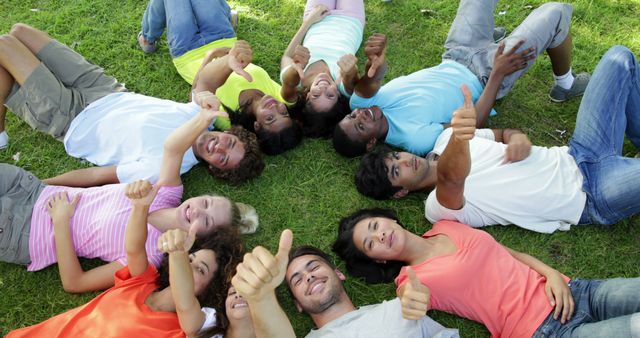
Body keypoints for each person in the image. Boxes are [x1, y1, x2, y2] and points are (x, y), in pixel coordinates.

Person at [356, 45, 640, 234]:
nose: (405, 160)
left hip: (580, 151)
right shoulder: (438, 206)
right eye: (397, 171)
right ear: (400, 192)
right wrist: (461, 133)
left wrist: (518, 138)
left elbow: (504, 133)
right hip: (592, 195)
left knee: (619, 58)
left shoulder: (443, 138)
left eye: (395, 157)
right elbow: (452, 177)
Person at [0, 99, 258, 293]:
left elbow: (75, 283)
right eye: (205, 202)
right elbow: (172, 148)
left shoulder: (148, 257)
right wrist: (202, 119)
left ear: (202, 238)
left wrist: (60, 223)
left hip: (24, 233)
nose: (197, 210)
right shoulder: (167, 193)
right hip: (32, 190)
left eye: (207, 220)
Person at [0, 23, 263, 184]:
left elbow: (97, 178)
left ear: (215, 168)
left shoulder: (164, 167)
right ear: (228, 133)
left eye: (223, 158)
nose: (219, 147)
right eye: (228, 143)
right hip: (102, 88)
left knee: (5, 46)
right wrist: (228, 62)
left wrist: (41, 186)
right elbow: (205, 82)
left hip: (71, 117)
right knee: (20, 32)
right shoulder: (201, 119)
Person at [332, 0, 590, 158]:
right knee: (555, 13)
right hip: (487, 73)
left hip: (456, 52)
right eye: (361, 127)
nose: (360, 117)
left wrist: (377, 61)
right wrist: (499, 73)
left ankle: (488, 34)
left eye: (352, 118)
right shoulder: (415, 139)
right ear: (372, 143)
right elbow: (474, 124)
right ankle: (565, 84)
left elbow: (370, 82)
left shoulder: (360, 104)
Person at [333, 208, 640, 337]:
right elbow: (413, 299)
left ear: (390, 220)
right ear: (379, 261)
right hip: (542, 331)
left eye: (375, 227)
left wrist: (553, 274)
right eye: (371, 245)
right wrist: (413, 300)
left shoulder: (445, 225)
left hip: (573, 291)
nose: (380, 236)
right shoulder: (409, 280)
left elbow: (508, 253)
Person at [7, 178, 245, 337]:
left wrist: (179, 254)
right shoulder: (143, 281)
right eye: (192, 258)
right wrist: (140, 207)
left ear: (210, 291)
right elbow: (133, 249)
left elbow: (184, 301)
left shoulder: (184, 329)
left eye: (200, 269)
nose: (188, 265)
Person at [230, 230, 459, 338]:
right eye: (297, 280)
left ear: (339, 274)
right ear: (297, 305)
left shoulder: (398, 309)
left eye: (313, 267)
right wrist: (261, 298)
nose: (308, 277)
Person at [192, 40, 302, 155]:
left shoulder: (226, 119)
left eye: (270, 118)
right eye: (284, 113)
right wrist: (230, 54)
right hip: (224, 40)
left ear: (257, 125)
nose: (274, 107)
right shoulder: (275, 96)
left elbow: (195, 96)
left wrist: (211, 55)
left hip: (191, 55)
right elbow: (290, 83)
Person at [279, 0, 365, 138]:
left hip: (317, 17)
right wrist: (350, 71)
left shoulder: (298, 78)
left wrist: (308, 21)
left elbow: (285, 57)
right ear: (338, 96)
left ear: (307, 96)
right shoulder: (343, 85)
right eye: (330, 95)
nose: (324, 88)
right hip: (351, 19)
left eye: (316, 95)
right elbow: (352, 80)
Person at [138, 0, 237, 84]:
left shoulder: (227, 101)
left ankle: (147, 38)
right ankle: (226, 19)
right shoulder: (251, 86)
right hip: (222, 40)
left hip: (188, 52)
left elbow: (198, 90)